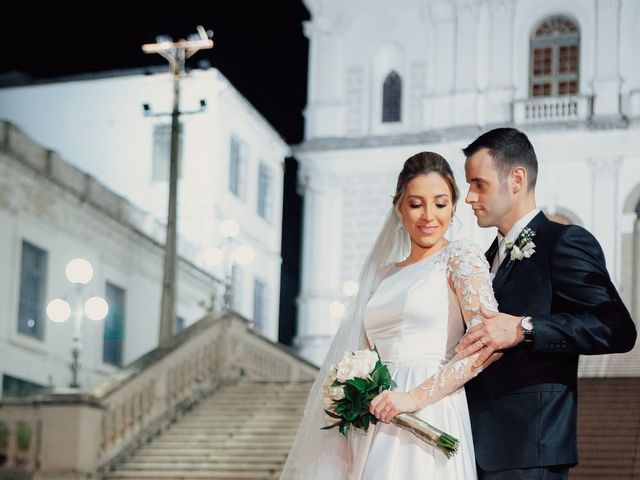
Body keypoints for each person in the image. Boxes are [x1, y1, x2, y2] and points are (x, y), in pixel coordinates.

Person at [281, 152, 502, 480]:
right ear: (400, 208)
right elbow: (368, 352)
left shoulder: (461, 256)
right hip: (376, 416)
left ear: (453, 207)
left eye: (440, 204)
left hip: (430, 409)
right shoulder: (383, 274)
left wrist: (413, 397)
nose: (428, 216)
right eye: (416, 204)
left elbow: (488, 344)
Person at [455, 127, 637, 480]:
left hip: (529, 449)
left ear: (517, 179)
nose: (469, 198)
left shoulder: (564, 242)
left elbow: (616, 327)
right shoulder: (483, 259)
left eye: (479, 184)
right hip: (471, 447)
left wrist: (525, 328)